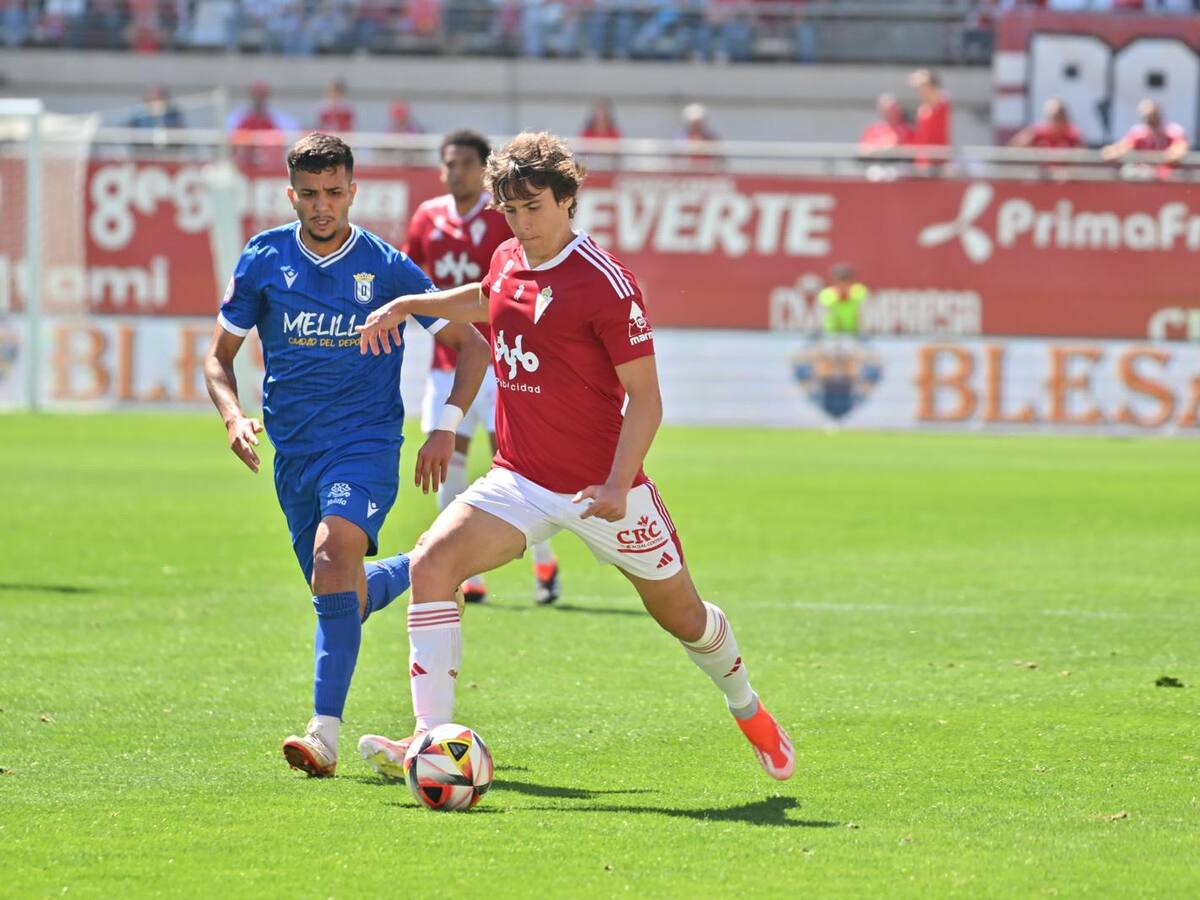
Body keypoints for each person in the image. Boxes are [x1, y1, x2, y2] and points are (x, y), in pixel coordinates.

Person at [354, 131, 795, 783]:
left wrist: (619, 483)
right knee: (432, 563)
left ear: (566, 200)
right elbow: (486, 298)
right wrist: (412, 303)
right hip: (521, 480)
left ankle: (750, 710)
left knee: (685, 618)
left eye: (533, 207)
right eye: (509, 209)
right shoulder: (507, 256)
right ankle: (430, 741)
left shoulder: (605, 284)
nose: (520, 222)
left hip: (604, 490)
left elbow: (646, 399)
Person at [202, 133, 491, 778]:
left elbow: (473, 347)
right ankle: (417, 566)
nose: (322, 205)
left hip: (365, 445)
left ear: (354, 191)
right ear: (291, 194)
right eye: (310, 194)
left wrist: (445, 427)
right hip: (294, 454)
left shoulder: (387, 267)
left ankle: (323, 734)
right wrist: (231, 417)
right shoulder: (263, 259)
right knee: (340, 590)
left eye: (334, 193)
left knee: (334, 558)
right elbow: (218, 358)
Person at [404, 128, 562, 606]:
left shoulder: (503, 219)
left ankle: (544, 563)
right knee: (444, 466)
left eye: (465, 164)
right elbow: (410, 275)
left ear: (481, 168)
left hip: (502, 364)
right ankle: (466, 574)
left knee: (517, 472)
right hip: (445, 366)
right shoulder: (427, 217)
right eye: (448, 164)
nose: (456, 172)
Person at [1102, 99, 1190, 174]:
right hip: (1145, 177)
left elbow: (1177, 153)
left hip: (1167, 178)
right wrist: (1112, 151)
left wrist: (1163, 158)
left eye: (1152, 115)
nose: (1149, 118)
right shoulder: (1138, 133)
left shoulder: (1173, 131)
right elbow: (1119, 149)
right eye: (1146, 116)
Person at [909, 68, 951, 169]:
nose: (921, 90)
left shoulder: (942, 102)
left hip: (937, 162)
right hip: (921, 163)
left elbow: (936, 98)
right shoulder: (922, 108)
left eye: (924, 86)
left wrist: (922, 77)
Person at [1008, 98, 1082, 149]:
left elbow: (1082, 157)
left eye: (1060, 117)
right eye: (1053, 117)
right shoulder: (1038, 132)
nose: (1056, 121)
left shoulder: (1073, 134)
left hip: (1066, 171)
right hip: (1042, 171)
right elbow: (1016, 146)